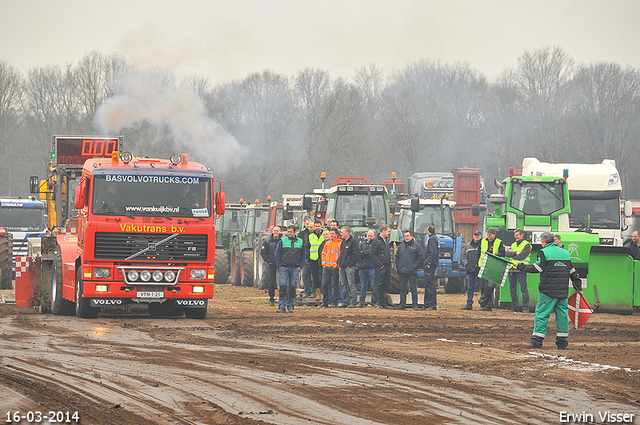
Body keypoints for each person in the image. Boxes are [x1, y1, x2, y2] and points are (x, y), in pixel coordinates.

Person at [517, 232, 582, 349]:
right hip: (562, 292)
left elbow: (537, 268)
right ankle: (562, 343)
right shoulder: (565, 253)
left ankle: (537, 341)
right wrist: (579, 287)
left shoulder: (544, 252)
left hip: (548, 291)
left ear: (544, 242)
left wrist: (520, 266)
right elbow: (573, 272)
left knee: (542, 314)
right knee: (562, 316)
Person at [275, 225, 306, 313]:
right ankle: (281, 306)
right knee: (283, 286)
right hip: (284, 267)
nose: (289, 233)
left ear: (294, 232)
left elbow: (303, 255)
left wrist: (300, 266)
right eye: (288, 232)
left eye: (290, 232)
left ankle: (291, 306)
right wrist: (279, 266)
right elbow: (277, 254)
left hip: (295, 268)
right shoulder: (282, 241)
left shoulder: (300, 242)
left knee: (292, 287)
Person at [395, 230, 424, 310]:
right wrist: (398, 266)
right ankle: (402, 304)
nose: (406, 237)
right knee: (402, 289)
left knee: (413, 288)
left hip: (412, 271)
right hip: (402, 271)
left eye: (408, 236)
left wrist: (414, 267)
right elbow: (397, 257)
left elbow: (420, 258)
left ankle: (415, 304)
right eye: (405, 236)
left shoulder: (417, 246)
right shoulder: (401, 246)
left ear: (412, 237)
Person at [478, 227, 505, 311]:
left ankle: (484, 301)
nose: (488, 235)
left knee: (490, 286)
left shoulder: (499, 242)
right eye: (488, 234)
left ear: (494, 234)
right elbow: (478, 252)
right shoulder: (483, 241)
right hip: (483, 266)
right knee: (483, 286)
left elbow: (503, 253)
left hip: (493, 267)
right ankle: (486, 305)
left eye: (490, 234)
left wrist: (498, 254)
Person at [505, 228, 532, 312]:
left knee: (523, 289)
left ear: (522, 235)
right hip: (512, 269)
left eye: (517, 235)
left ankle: (525, 307)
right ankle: (514, 307)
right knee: (512, 289)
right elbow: (506, 254)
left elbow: (522, 256)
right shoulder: (513, 244)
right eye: (515, 235)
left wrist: (512, 253)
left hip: (522, 269)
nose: (515, 237)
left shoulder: (527, 245)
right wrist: (514, 253)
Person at [338, 226, 360, 307]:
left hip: (349, 267)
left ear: (347, 232)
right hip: (342, 266)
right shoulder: (343, 242)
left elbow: (356, 255)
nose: (341, 233)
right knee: (344, 284)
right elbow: (342, 253)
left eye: (342, 232)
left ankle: (353, 302)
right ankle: (345, 301)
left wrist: (350, 263)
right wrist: (340, 262)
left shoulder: (353, 242)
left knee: (351, 284)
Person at [460, 230, 482, 310]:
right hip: (470, 270)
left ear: (481, 237)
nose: (476, 237)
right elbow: (463, 257)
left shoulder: (483, 246)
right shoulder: (467, 246)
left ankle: (483, 304)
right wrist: (467, 264)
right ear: (473, 236)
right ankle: (469, 304)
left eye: (478, 235)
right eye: (475, 235)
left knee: (482, 287)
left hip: (480, 270)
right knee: (470, 288)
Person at [321, 228, 343, 308]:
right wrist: (324, 263)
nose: (332, 235)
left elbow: (341, 255)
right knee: (324, 285)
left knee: (335, 285)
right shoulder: (327, 243)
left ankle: (334, 302)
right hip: (327, 266)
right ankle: (325, 302)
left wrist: (337, 265)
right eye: (331, 234)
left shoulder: (340, 243)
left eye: (333, 234)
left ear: (337, 234)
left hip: (335, 267)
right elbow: (323, 253)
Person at [371, 224, 392, 308]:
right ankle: (375, 302)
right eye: (388, 231)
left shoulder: (385, 241)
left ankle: (382, 302)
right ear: (383, 231)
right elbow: (372, 254)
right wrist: (380, 264)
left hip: (387, 267)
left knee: (384, 285)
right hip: (380, 267)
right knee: (377, 285)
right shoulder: (376, 241)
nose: (389, 233)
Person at [260, 225, 281, 306]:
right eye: (274, 230)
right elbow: (263, 252)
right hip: (272, 263)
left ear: (279, 232)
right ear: (272, 231)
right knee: (272, 282)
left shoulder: (282, 241)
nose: (276, 232)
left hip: (280, 263)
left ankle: (282, 298)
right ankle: (271, 298)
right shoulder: (267, 241)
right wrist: (269, 261)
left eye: (277, 231)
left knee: (282, 281)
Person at [423, 225, 439, 310]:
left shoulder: (432, 239)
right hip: (433, 264)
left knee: (429, 284)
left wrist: (429, 262)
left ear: (428, 231)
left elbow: (433, 252)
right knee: (429, 283)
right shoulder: (436, 238)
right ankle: (427, 304)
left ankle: (431, 304)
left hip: (430, 265)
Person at [358, 230, 376, 307]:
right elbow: (358, 253)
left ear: (374, 236)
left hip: (372, 267)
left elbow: (372, 252)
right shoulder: (362, 244)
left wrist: (363, 252)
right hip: (362, 267)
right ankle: (362, 302)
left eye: (371, 236)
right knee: (363, 285)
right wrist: (365, 253)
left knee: (374, 285)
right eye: (368, 236)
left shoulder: (375, 244)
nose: (369, 237)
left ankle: (374, 301)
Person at [298, 217, 315, 298]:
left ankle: (314, 292)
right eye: (307, 224)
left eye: (310, 224)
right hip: (305, 257)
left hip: (314, 258)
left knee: (313, 276)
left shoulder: (316, 234)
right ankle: (307, 291)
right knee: (305, 275)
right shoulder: (302, 234)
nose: (308, 226)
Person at [308, 220, 325, 301]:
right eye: (316, 226)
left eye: (319, 226)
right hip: (313, 258)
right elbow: (308, 247)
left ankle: (324, 293)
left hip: (323, 258)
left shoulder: (324, 234)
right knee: (315, 277)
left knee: (323, 276)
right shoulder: (311, 236)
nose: (317, 228)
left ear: (321, 226)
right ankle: (318, 294)